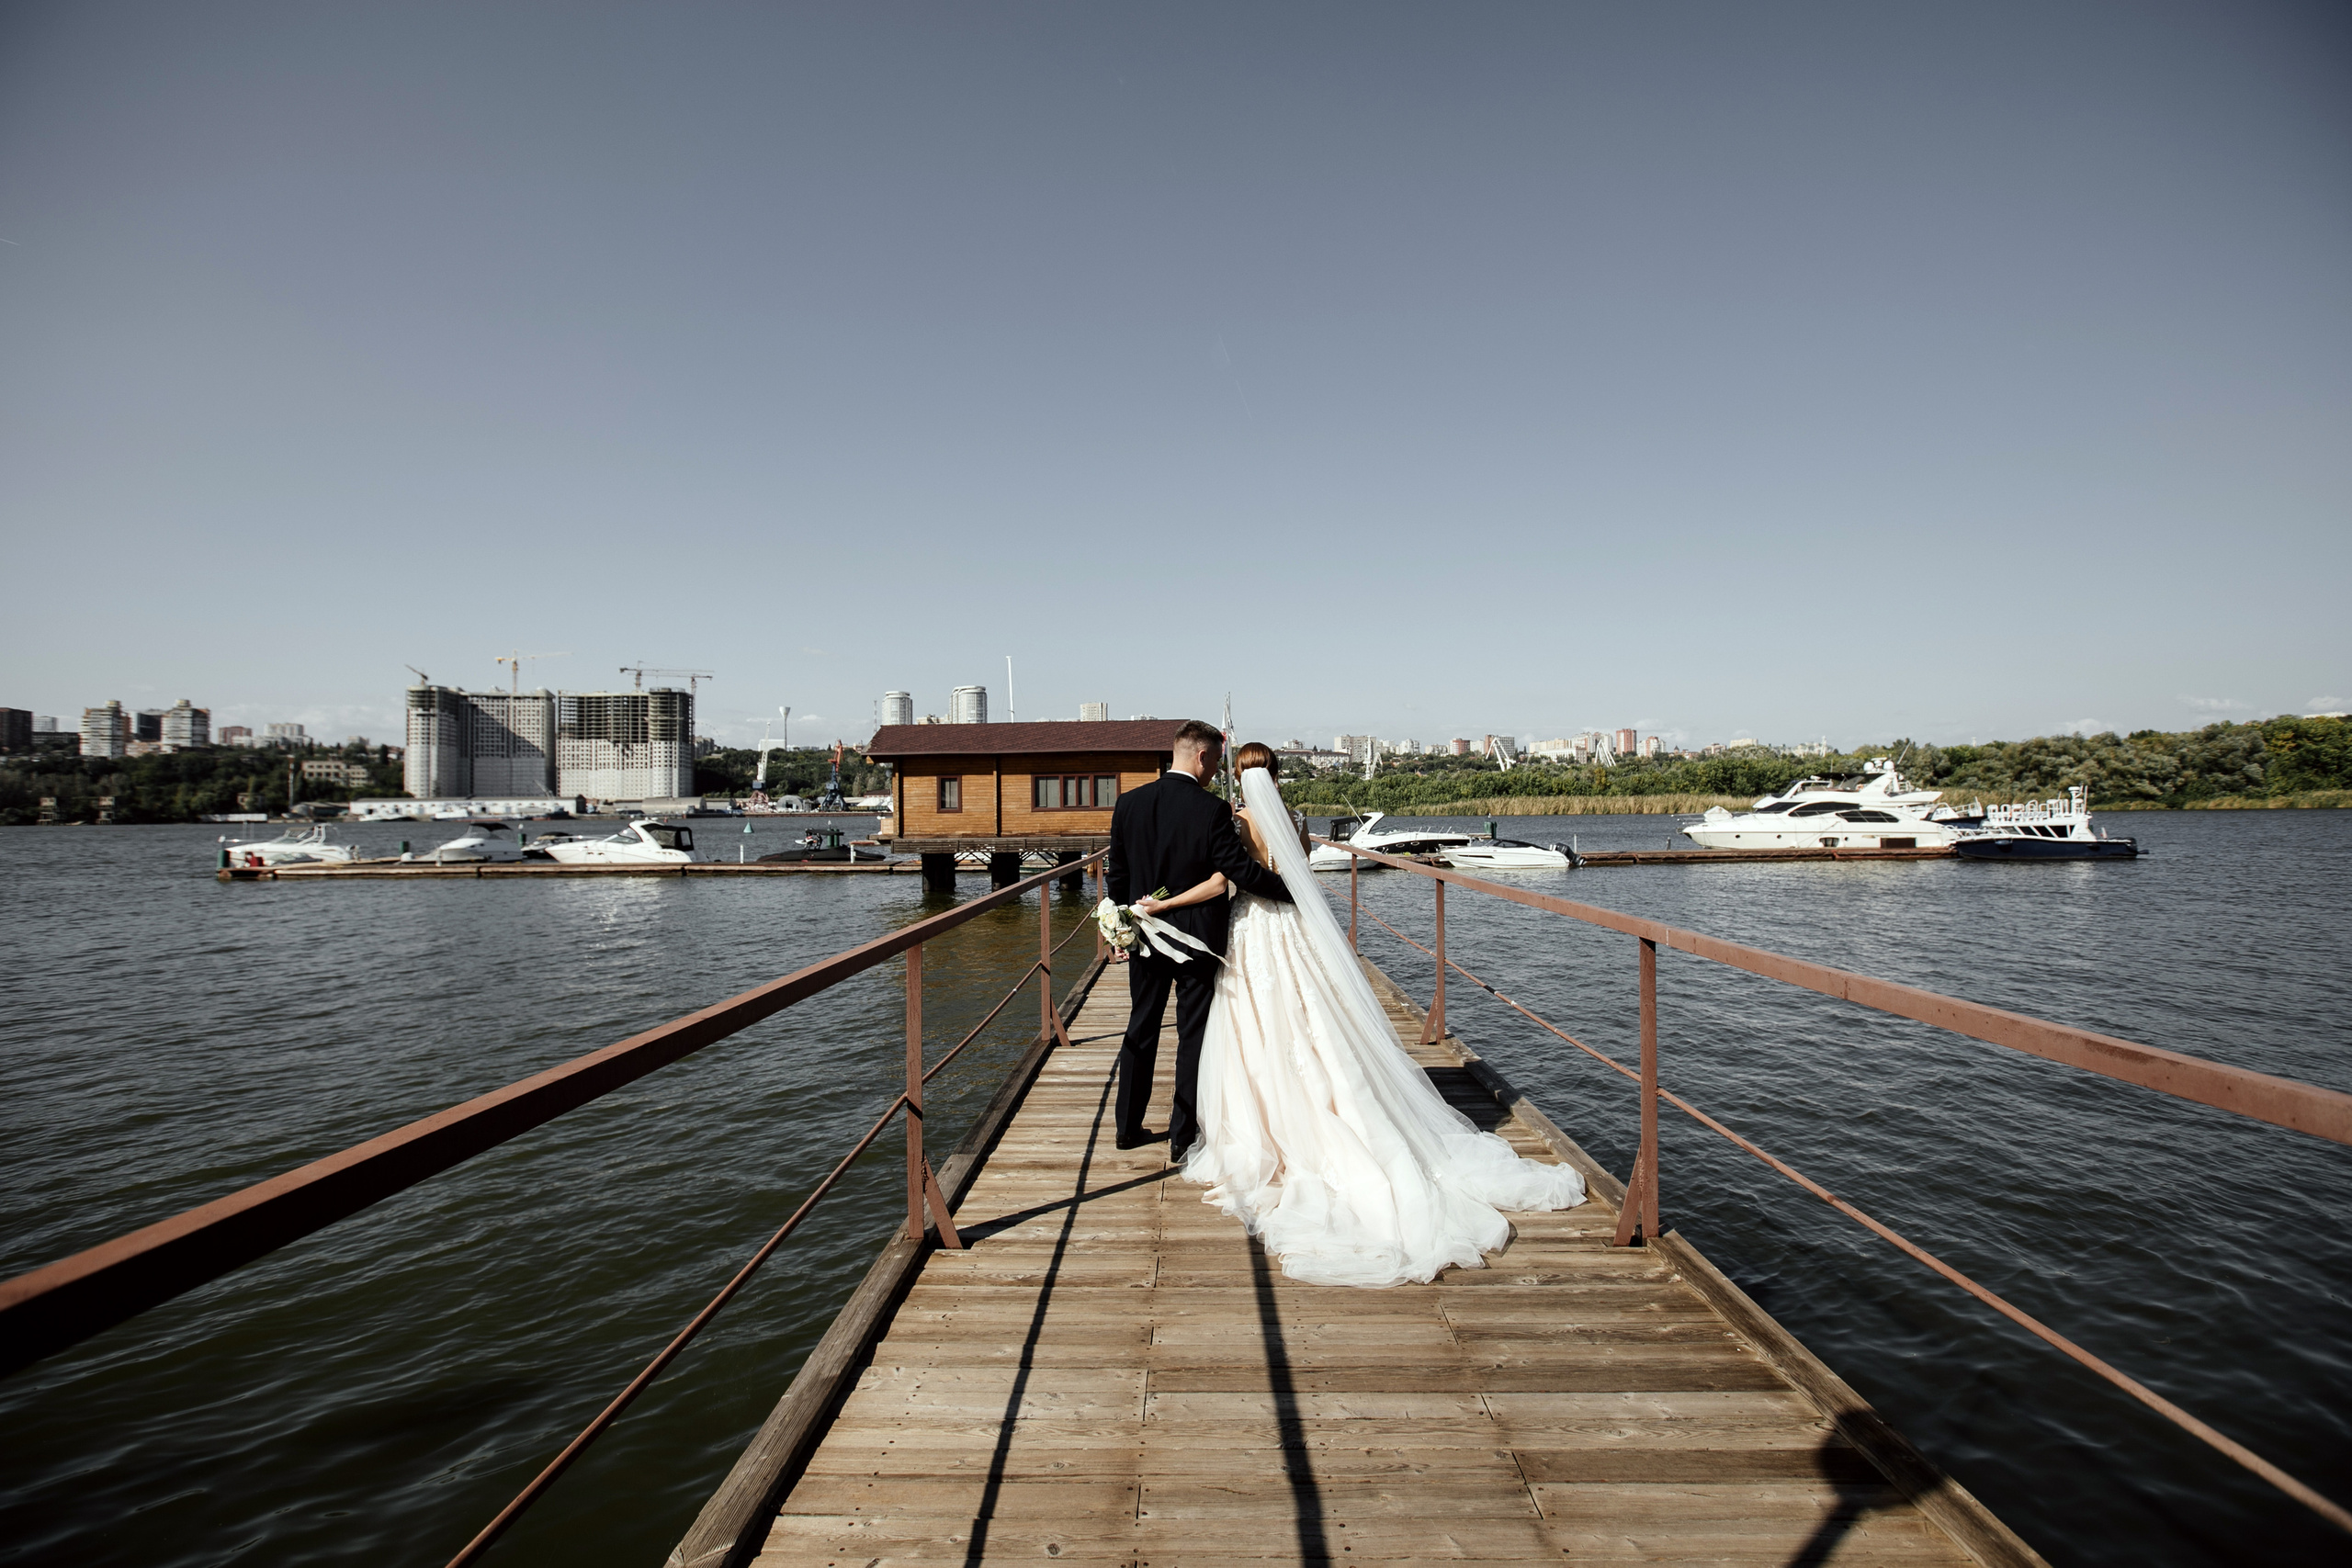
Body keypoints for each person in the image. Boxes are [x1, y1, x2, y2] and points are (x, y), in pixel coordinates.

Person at [1138, 741, 1586, 1288]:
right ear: (1277, 773)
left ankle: (1263, 1129)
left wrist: (1171, 901)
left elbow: (1230, 877)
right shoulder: (1296, 818)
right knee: (1314, 1014)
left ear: (1237, 774)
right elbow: (1296, 869)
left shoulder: (1236, 819)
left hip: (1252, 924)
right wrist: (1295, 896)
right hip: (1293, 925)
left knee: (1252, 1020)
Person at [1106, 720, 1294, 1153]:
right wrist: (1295, 892)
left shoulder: (1128, 804)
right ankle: (1181, 1133)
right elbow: (1239, 870)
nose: (1213, 775)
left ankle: (1126, 1129)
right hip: (1199, 940)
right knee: (1193, 1034)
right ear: (1203, 756)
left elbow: (1117, 875)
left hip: (1145, 937)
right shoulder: (1211, 810)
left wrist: (1118, 929)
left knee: (1142, 1027)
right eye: (1213, 765)